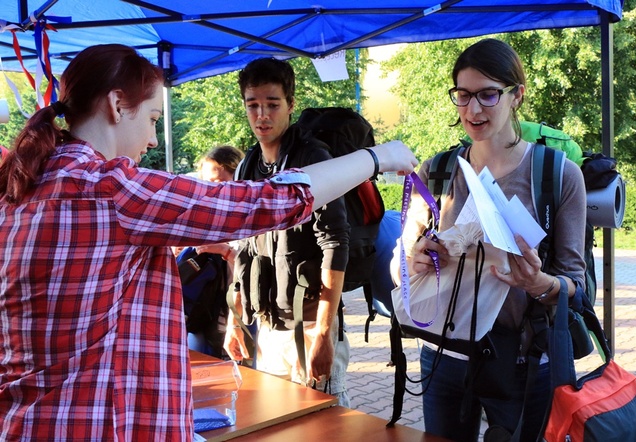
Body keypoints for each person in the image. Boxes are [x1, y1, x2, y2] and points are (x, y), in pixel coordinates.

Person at [0, 44, 418, 441]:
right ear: (116, 105)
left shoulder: (23, 186)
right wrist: (377, 158)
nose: (153, 140)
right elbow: (268, 203)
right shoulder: (109, 189)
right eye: (151, 119)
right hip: (96, 424)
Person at [390, 38, 586, 441]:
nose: (473, 110)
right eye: (463, 95)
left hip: (524, 362)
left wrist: (540, 284)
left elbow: (576, 285)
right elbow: (399, 268)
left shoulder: (557, 175)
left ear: (518, 96)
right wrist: (413, 258)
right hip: (446, 354)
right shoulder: (438, 171)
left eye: (488, 95)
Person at [223, 57, 351, 406]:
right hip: (268, 324)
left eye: (272, 104)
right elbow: (244, 246)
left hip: (309, 324)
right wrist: (236, 317)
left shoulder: (313, 159)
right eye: (253, 105)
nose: (262, 115)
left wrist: (325, 332)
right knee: (275, 421)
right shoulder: (249, 165)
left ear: (291, 106)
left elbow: (335, 242)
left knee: (323, 429)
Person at [179, 145, 245, 358]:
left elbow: (258, 270)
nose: (211, 191)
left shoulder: (251, 219)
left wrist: (226, 251)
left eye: (218, 184)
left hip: (243, 315)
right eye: (206, 184)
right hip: (203, 315)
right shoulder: (201, 218)